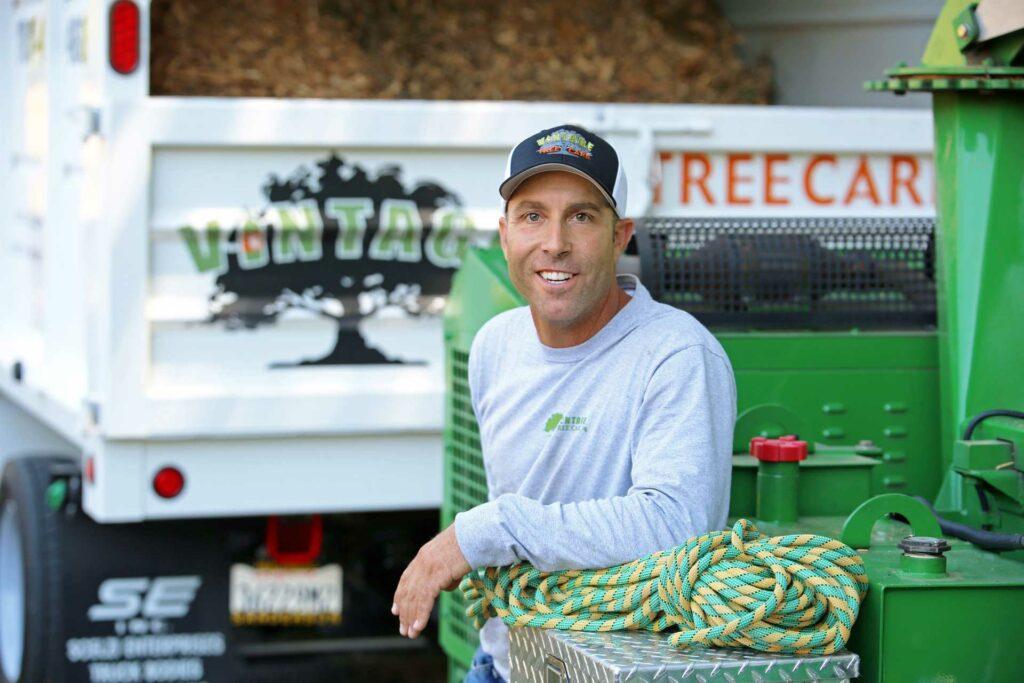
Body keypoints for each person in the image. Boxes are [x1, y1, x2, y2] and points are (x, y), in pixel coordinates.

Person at [391, 124, 736, 682]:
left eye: (581, 216)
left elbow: (678, 523)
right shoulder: (494, 347)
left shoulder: (677, 353)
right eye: (532, 216)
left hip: (617, 673)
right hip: (502, 663)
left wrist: (485, 530)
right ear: (504, 235)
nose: (554, 242)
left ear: (620, 235)